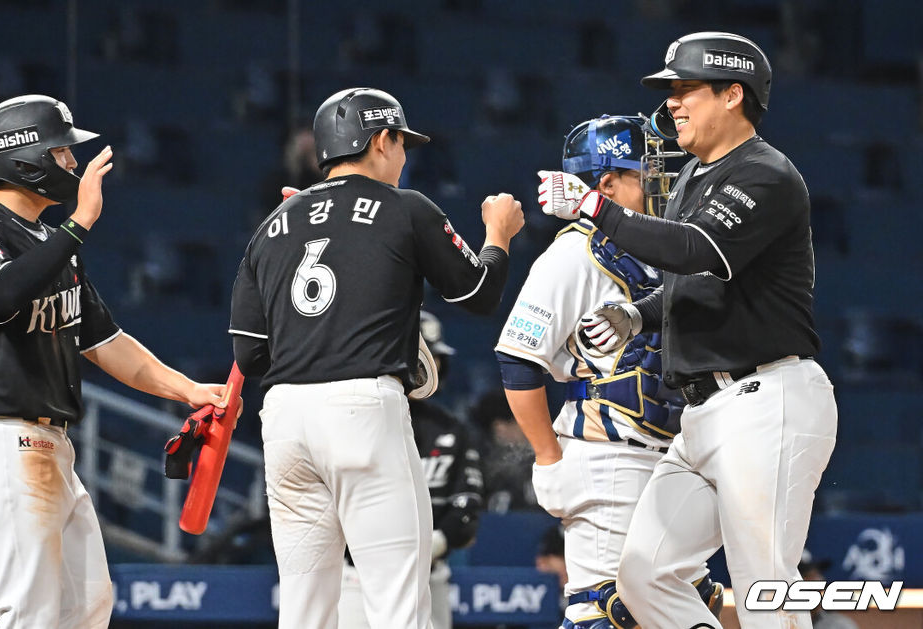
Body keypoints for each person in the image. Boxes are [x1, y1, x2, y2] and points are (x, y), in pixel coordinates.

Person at [541, 32, 838, 628]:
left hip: (766, 398)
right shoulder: (692, 179)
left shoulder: (764, 173)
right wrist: (638, 313)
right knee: (644, 575)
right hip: (705, 412)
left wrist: (595, 207)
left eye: (686, 89)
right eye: (670, 91)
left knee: (764, 585)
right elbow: (693, 282)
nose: (671, 102)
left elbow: (697, 251)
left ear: (733, 94)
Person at [228, 87, 523, 629]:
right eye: (401, 142)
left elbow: (249, 353)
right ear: (381, 139)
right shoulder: (404, 207)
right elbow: (478, 293)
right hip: (363, 407)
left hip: (285, 417)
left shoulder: (271, 225)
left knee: (304, 609)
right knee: (397, 603)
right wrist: (498, 235)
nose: (405, 156)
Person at [0, 94, 227, 628]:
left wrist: (187, 389)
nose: (72, 163)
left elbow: (105, 341)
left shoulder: (53, 243)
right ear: (25, 159)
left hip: (51, 445)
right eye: (62, 152)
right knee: (31, 611)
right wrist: (80, 223)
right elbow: (2, 298)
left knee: (88, 607)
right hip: (4, 438)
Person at [497, 115, 721, 628]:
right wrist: (547, 457)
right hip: (608, 456)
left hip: (674, 456)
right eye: (647, 175)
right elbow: (518, 359)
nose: (661, 187)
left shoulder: (664, 251)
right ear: (606, 184)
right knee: (607, 612)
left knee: (686, 601)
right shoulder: (575, 252)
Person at [338, 310, 485, 629]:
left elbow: (467, 509)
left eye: (432, 359)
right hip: (357, 576)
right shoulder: (351, 420)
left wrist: (434, 543)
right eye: (414, 359)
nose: (423, 369)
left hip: (429, 575)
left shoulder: (450, 428)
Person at [799, 550, 860, 629]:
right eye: (805, 574)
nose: (817, 579)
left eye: (817, 573)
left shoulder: (839, 625)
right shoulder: (784, 621)